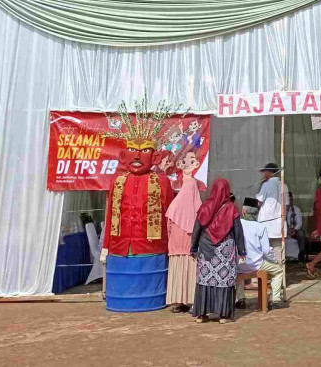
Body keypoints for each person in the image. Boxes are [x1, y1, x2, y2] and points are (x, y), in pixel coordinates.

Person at [100, 100, 175, 313]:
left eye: (143, 151)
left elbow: (169, 216)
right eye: (132, 150)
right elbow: (110, 214)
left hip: (151, 246)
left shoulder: (162, 182)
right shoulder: (118, 181)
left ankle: (151, 300)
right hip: (120, 245)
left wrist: (171, 245)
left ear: (155, 157)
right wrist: (106, 245)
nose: (136, 156)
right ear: (124, 156)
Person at [191, 179, 245, 324]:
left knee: (205, 280)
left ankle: (202, 315)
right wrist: (242, 251)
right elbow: (238, 230)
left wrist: (193, 247)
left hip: (206, 250)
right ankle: (223, 315)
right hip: (224, 250)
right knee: (223, 281)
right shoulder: (231, 208)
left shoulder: (205, 206)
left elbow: (197, 228)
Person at [236, 198, 287, 311]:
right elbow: (266, 251)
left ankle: (240, 299)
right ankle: (275, 299)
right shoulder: (260, 227)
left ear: (243, 212)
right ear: (257, 213)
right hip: (256, 264)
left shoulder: (237, 224)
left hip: (239, 263)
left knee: (236, 271)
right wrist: (275, 261)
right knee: (278, 270)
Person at [164, 163, 202, 313]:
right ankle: (193, 301)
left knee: (178, 272)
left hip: (175, 246)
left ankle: (179, 302)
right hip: (191, 247)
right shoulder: (198, 207)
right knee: (191, 272)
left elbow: (169, 227)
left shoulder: (173, 206)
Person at [256, 163, 285, 266]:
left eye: (265, 172)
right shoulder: (284, 186)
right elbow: (287, 204)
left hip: (266, 223)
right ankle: (279, 275)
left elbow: (259, 201)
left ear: (269, 173)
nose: (264, 175)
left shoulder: (266, 185)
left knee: (264, 250)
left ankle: (266, 275)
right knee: (278, 250)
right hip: (279, 223)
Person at [286, 191, 306, 262]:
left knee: (301, 233)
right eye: (288, 199)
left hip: (294, 230)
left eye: (291, 199)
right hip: (284, 231)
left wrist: (293, 230)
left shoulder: (296, 209)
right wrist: (287, 230)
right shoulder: (281, 210)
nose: (289, 201)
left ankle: (301, 253)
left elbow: (299, 223)